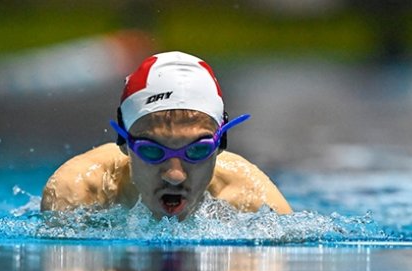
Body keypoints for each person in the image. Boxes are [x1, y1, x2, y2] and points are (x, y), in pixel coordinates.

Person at [40, 51, 292, 220]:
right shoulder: (78, 192)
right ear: (124, 142)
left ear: (220, 143)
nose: (174, 176)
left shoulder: (253, 201)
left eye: (197, 150)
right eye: (152, 150)